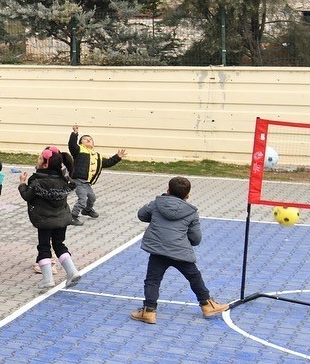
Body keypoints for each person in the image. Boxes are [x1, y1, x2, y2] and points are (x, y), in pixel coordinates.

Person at [131, 177, 229, 324]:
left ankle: (149, 311)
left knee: (152, 280)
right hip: (180, 251)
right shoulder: (191, 212)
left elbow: (141, 215)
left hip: (158, 250)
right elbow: (196, 238)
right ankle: (207, 305)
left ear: (168, 190)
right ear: (187, 195)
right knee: (194, 276)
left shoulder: (157, 203)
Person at [19, 147, 82, 292]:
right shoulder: (63, 179)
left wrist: (22, 184)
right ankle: (72, 272)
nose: (38, 159)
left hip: (44, 221)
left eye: (40, 158)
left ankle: (47, 279)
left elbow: (27, 196)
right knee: (59, 244)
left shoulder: (37, 181)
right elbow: (70, 181)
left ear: (45, 164)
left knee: (44, 247)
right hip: (62, 219)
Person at [67, 125, 126, 225]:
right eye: (85, 139)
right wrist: (75, 134)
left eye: (90, 139)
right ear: (81, 143)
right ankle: (73, 216)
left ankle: (87, 210)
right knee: (82, 199)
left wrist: (117, 157)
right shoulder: (79, 150)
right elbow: (72, 145)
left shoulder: (96, 155)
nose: (88, 140)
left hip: (86, 182)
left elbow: (107, 163)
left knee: (92, 198)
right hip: (78, 180)